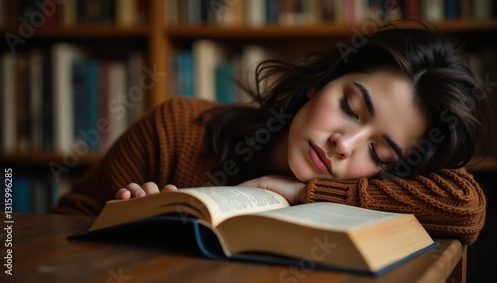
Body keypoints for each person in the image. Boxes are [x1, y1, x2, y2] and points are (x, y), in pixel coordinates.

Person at [51, 22, 491, 246]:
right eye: (350, 108)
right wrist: (120, 223)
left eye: (379, 153)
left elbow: (466, 208)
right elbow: (57, 227)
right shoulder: (178, 128)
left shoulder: (373, 190)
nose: (345, 143)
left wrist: (300, 193)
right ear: (320, 84)